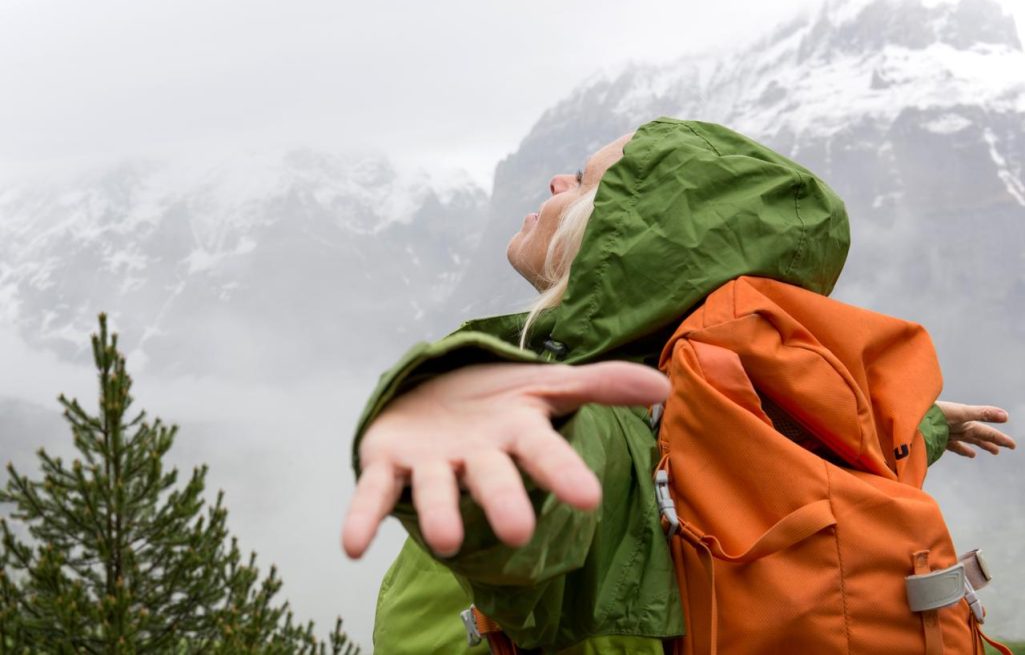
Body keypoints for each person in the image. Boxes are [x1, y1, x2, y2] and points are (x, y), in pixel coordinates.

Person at [343, 119, 1016, 654]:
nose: (553, 181)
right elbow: (852, 442)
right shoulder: (746, 404)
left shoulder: (604, 416)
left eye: (581, 181)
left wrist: (467, 424)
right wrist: (921, 422)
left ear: (620, 238)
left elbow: (549, 495)